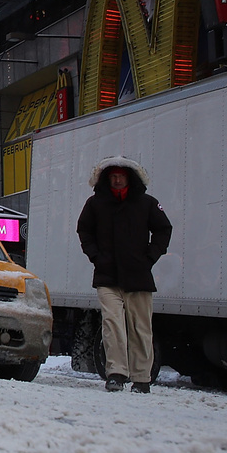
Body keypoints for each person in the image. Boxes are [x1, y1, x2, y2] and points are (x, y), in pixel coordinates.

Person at [77, 156, 172, 393]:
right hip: (107, 277)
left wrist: (150, 257)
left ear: (129, 178)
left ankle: (141, 378)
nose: (117, 180)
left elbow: (163, 229)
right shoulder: (95, 204)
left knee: (141, 328)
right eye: (113, 177)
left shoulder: (147, 203)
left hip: (139, 277)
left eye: (121, 176)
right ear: (107, 179)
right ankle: (116, 374)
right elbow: (84, 231)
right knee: (112, 325)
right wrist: (96, 257)